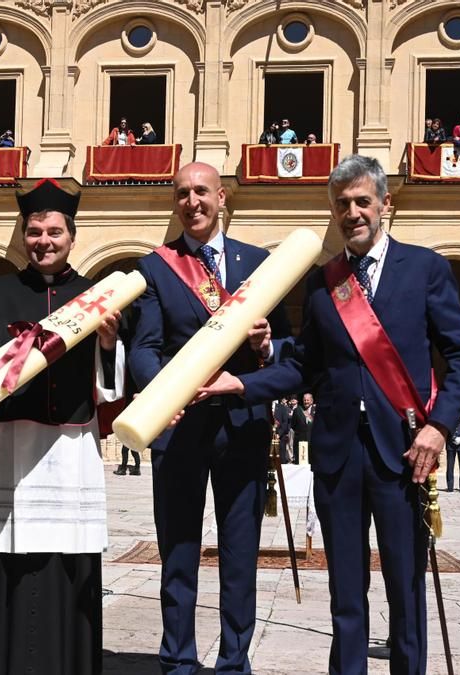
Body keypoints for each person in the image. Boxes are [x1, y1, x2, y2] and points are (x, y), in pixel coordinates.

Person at [198, 154, 460, 673]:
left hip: (404, 454)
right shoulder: (324, 282)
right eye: (342, 204)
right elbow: (305, 365)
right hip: (337, 459)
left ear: (384, 204)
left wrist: (439, 427)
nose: (352, 213)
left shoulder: (424, 268)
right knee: (346, 593)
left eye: (362, 202)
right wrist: (242, 382)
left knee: (405, 589)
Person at [0, 178, 124, 675]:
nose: (44, 240)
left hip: (69, 447)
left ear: (72, 236)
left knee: (64, 558)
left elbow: (109, 387)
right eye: (35, 231)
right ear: (23, 235)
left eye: (54, 232)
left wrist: (107, 345)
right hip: (6, 445)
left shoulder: (92, 298)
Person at [128, 161, 290, 675]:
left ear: (222, 198)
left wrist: (267, 346)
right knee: (177, 551)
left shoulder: (261, 264)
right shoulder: (156, 267)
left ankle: (233, 661)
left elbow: (287, 350)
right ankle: (178, 660)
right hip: (180, 427)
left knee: (240, 555)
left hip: (242, 424)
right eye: (182, 194)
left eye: (201, 192)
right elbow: (145, 347)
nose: (191, 202)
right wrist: (163, 396)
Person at [291, 393, 315, 464]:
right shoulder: (297, 410)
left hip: (313, 443)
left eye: (308, 400)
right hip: (300, 443)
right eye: (304, 400)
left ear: (312, 401)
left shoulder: (317, 410)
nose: (306, 402)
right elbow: (293, 425)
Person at [273, 396, 294, 464]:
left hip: (280, 437)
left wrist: (279, 434)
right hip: (268, 436)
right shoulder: (265, 408)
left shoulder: (282, 407)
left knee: (281, 460)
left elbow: (285, 422)